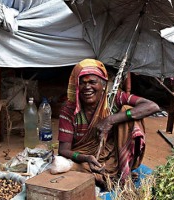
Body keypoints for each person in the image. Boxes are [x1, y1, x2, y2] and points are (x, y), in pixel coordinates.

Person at [58, 58, 160, 190]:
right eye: (82, 83)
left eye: (92, 82)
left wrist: (111, 119)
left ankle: (122, 172)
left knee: (129, 112)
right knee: (66, 167)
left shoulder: (113, 99)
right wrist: (86, 157)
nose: (87, 87)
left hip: (113, 159)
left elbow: (152, 106)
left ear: (103, 85)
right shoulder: (69, 109)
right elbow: (63, 150)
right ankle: (105, 178)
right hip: (85, 162)